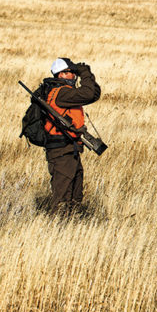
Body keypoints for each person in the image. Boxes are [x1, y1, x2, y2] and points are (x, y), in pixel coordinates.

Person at [40, 57, 101, 213]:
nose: (74, 75)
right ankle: (56, 229)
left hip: (69, 150)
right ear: (61, 75)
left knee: (75, 195)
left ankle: (72, 226)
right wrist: (84, 73)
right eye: (71, 72)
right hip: (61, 151)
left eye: (74, 72)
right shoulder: (61, 93)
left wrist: (88, 75)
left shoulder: (65, 92)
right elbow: (87, 93)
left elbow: (93, 94)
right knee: (62, 197)